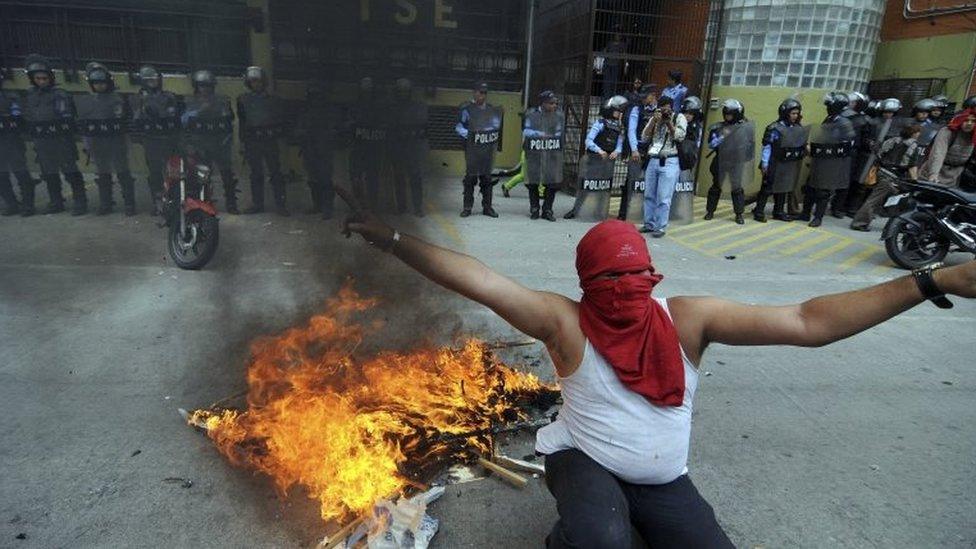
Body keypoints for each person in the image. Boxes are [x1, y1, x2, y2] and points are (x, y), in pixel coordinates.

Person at [343, 211, 976, 549]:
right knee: (600, 539)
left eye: (636, 275)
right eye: (608, 281)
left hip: (663, 477)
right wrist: (395, 239)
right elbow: (478, 278)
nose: (625, 291)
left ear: (654, 273)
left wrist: (930, 280)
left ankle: (627, 518)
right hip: (583, 459)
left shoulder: (688, 320)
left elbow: (809, 321)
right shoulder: (565, 322)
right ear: (586, 286)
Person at [22, 54, 87, 216]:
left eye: (44, 78)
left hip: (61, 139)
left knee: (70, 170)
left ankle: (80, 201)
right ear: (32, 79)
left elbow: (67, 116)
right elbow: (28, 115)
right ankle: (56, 201)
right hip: (42, 140)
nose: (42, 81)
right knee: (49, 173)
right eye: (38, 78)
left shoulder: (60, 94)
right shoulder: (30, 95)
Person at [75, 62, 136, 216]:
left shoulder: (118, 99)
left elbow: (126, 122)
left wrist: (126, 142)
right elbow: (84, 125)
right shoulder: (88, 101)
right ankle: (106, 203)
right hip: (97, 142)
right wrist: (87, 144)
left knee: (123, 173)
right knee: (103, 174)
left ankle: (129, 203)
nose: (99, 86)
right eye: (96, 83)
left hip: (116, 141)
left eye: (102, 82)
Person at [182, 69, 239, 214]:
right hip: (200, 143)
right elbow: (184, 120)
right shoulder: (190, 101)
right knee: (202, 175)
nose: (204, 89)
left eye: (207, 86)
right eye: (201, 86)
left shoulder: (222, 100)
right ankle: (203, 202)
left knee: (227, 174)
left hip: (219, 142)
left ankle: (232, 204)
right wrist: (201, 110)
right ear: (196, 86)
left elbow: (229, 119)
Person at [850, 124, 923, 232]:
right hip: (894, 177)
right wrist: (915, 181)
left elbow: (879, 154)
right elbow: (912, 165)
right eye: (918, 132)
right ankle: (860, 223)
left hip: (882, 172)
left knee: (887, 200)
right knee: (876, 200)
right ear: (914, 133)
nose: (919, 134)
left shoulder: (892, 140)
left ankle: (892, 226)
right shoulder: (913, 146)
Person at [563, 95, 625, 220]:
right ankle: (576, 210)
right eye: (617, 110)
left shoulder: (618, 126)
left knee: (604, 186)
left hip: (608, 161)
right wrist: (599, 151)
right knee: (586, 185)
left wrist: (617, 152)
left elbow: (619, 143)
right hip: (595, 159)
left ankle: (599, 211)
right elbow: (589, 141)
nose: (619, 113)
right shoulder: (600, 123)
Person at [800, 92, 856, 228]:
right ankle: (805, 213)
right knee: (810, 187)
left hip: (832, 161)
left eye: (829, 106)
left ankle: (818, 217)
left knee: (823, 190)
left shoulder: (844, 122)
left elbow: (849, 143)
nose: (827, 108)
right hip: (821, 158)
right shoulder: (829, 119)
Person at [130, 65, 181, 215]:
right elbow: (135, 120)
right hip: (151, 140)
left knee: (174, 171)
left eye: (155, 79)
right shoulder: (138, 99)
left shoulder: (169, 96)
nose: (153, 82)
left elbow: (174, 116)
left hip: (170, 139)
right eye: (149, 80)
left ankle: (175, 200)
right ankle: (158, 203)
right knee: (155, 173)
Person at [237, 66, 287, 216]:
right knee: (256, 173)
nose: (255, 84)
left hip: (269, 140)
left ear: (263, 82)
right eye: (252, 81)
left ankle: (281, 205)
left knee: (276, 173)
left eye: (258, 81)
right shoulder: (243, 100)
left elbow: (280, 120)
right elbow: (242, 123)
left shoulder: (273, 100)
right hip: (252, 141)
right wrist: (242, 143)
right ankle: (258, 204)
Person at [639, 96, 686, 237]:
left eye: (668, 108)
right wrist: (654, 121)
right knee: (649, 195)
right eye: (662, 108)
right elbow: (644, 137)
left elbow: (679, 137)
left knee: (664, 197)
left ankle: (660, 227)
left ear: (671, 108)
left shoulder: (679, 117)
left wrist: (668, 123)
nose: (665, 110)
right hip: (653, 159)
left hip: (670, 160)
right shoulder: (655, 118)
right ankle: (649, 224)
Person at [754, 98, 807, 223]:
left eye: (797, 113)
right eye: (793, 113)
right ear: (785, 112)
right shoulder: (774, 128)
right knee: (767, 187)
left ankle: (778, 211)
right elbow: (767, 146)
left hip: (788, 162)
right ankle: (759, 212)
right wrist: (765, 163)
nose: (795, 116)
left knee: (783, 187)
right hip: (773, 161)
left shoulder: (797, 127)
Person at [456, 82, 502, 218]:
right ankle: (467, 207)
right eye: (480, 92)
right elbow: (459, 127)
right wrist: (471, 135)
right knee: (470, 178)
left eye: (485, 93)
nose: (482, 95)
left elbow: (495, 126)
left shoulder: (490, 109)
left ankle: (487, 207)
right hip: (472, 149)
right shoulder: (467, 109)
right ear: (474, 92)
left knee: (487, 178)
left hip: (487, 149)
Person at [298, 80, 341, 219]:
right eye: (312, 94)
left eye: (317, 94)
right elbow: (300, 127)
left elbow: (333, 129)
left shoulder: (329, 110)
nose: (315, 97)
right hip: (309, 148)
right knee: (313, 179)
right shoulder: (305, 110)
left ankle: (327, 208)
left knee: (325, 179)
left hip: (323, 149)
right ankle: (317, 205)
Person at [704, 99, 752, 224]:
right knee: (716, 186)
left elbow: (750, 144)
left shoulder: (744, 128)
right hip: (721, 160)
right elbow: (711, 144)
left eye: (730, 114)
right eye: (726, 114)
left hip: (736, 162)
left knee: (736, 188)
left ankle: (739, 214)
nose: (727, 116)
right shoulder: (718, 127)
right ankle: (710, 211)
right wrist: (722, 135)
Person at [522, 90, 564, 221]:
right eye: (551, 103)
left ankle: (547, 210)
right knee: (533, 182)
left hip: (551, 153)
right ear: (544, 103)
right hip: (534, 153)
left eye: (555, 103)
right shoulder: (532, 115)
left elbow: (559, 132)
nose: (554, 106)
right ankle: (534, 209)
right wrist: (540, 135)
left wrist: (552, 137)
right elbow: (526, 131)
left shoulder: (558, 116)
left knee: (551, 183)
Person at [390, 78, 428, 217]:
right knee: (399, 178)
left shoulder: (417, 107)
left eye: (405, 90)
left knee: (415, 178)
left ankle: (417, 207)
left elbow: (423, 129)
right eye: (401, 90)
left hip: (413, 148)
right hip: (399, 148)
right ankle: (402, 207)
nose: (403, 93)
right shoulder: (393, 108)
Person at [348, 76, 386, 213]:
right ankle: (360, 205)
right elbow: (349, 125)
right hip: (360, 146)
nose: (366, 93)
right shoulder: (356, 106)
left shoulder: (378, 107)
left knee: (371, 178)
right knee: (357, 177)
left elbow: (383, 127)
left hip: (371, 147)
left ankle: (370, 206)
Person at [619, 84, 657, 220]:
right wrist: (634, 150)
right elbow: (631, 130)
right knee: (631, 181)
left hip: (651, 150)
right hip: (637, 149)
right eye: (650, 95)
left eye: (653, 95)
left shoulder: (655, 110)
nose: (652, 98)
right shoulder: (636, 109)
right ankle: (623, 213)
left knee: (647, 183)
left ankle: (641, 213)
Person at [0, 67, 34, 216]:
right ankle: (11, 204)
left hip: (11, 140)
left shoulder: (10, 98)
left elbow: (20, 119)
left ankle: (28, 204)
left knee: (20, 172)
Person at [833, 91, 871, 218]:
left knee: (847, 180)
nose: (851, 104)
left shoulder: (863, 120)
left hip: (852, 153)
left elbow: (864, 139)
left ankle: (839, 207)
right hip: (837, 150)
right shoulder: (838, 117)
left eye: (854, 102)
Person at [917, 107, 976, 188]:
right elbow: (938, 153)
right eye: (966, 120)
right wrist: (933, 174)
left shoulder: (974, 136)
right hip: (933, 173)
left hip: (954, 177)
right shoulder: (947, 132)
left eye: (973, 121)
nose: (969, 123)